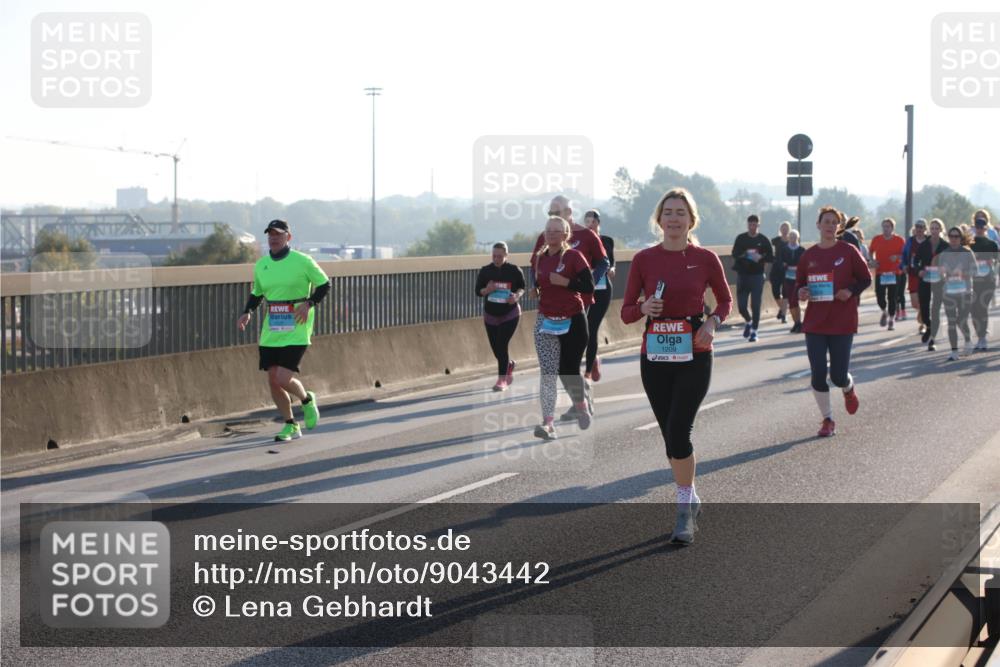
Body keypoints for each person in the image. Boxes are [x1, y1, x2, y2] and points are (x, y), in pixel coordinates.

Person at [621, 187, 732, 545]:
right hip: (655, 356)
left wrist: (712, 323)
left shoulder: (705, 258)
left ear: (691, 219)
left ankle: (684, 512)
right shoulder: (644, 259)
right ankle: (691, 494)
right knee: (670, 434)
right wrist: (644, 309)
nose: (673, 218)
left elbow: (725, 301)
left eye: (680, 212)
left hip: (694, 352)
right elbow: (625, 313)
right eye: (667, 212)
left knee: (680, 430)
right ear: (658, 219)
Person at [237, 219, 330, 442]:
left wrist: (309, 304)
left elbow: (325, 284)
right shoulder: (261, 264)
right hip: (273, 326)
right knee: (273, 379)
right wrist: (247, 311)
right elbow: (258, 293)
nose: (273, 238)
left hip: (297, 324)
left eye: (278, 234)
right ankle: (290, 425)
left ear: (288, 237)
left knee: (283, 377)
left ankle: (306, 399)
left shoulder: (303, 261)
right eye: (270, 234)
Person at [794, 207, 871, 437]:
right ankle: (827, 419)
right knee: (818, 372)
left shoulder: (848, 251)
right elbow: (798, 284)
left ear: (838, 227)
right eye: (825, 221)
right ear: (818, 225)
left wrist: (850, 290)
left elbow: (865, 279)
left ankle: (848, 388)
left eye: (834, 222)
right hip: (815, 323)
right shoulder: (809, 256)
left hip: (842, 321)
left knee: (837, 375)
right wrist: (802, 292)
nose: (829, 225)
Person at [531, 195, 609, 421]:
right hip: (552, 308)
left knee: (570, 361)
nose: (553, 218)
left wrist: (588, 285)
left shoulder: (586, 235)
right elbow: (534, 265)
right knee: (562, 365)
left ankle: (581, 401)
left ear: (569, 212)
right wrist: (537, 287)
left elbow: (603, 262)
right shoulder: (544, 237)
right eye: (550, 214)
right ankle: (581, 401)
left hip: (579, 305)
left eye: (557, 213)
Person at [532, 216, 594, 441]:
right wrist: (536, 290)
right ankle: (548, 424)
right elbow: (539, 281)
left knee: (568, 370)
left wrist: (566, 283)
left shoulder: (574, 257)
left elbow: (589, 286)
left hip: (573, 320)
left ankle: (581, 405)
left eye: (557, 231)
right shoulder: (539, 258)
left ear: (566, 235)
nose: (551, 234)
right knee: (548, 373)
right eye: (548, 230)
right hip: (546, 320)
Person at [476, 242, 526, 391]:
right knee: (495, 348)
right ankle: (508, 365)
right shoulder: (485, 271)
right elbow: (478, 291)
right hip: (490, 314)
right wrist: (487, 289)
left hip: (509, 314)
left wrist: (516, 296)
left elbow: (522, 288)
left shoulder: (514, 270)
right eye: (494, 256)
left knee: (502, 345)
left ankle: (501, 380)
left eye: (499, 256)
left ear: (506, 255)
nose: (496, 259)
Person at [932, 226, 977, 361]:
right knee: (952, 321)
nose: (953, 239)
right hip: (949, 292)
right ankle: (954, 351)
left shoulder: (968, 252)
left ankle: (968, 340)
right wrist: (941, 272)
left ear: (961, 238)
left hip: (965, 291)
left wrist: (962, 273)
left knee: (961, 319)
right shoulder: (944, 253)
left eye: (956, 236)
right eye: (951, 236)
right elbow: (940, 273)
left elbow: (975, 271)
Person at [582, 209, 615, 382]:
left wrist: (612, 270)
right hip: (583, 290)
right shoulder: (580, 241)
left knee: (592, 328)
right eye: (586, 221)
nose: (589, 224)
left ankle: (587, 371)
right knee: (583, 329)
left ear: (598, 223)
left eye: (592, 221)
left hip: (602, 289)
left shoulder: (606, 241)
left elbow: (612, 262)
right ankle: (593, 359)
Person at [731, 214, 774, 342]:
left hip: (757, 275)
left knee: (755, 304)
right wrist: (745, 255)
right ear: (747, 225)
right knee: (742, 306)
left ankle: (754, 331)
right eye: (750, 225)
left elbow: (771, 257)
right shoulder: (741, 238)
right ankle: (748, 322)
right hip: (743, 275)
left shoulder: (764, 240)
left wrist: (760, 258)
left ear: (758, 225)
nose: (752, 227)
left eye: (755, 225)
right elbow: (734, 253)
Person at [916, 219, 949, 349]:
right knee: (924, 310)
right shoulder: (923, 245)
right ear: (930, 230)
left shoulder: (945, 246)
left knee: (935, 309)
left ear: (941, 230)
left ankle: (932, 339)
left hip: (939, 281)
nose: (934, 231)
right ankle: (928, 327)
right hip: (925, 280)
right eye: (932, 228)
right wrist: (919, 271)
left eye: (937, 228)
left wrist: (945, 269)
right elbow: (916, 261)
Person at [868, 218, 905, 331]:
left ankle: (891, 319)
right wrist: (872, 261)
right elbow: (870, 252)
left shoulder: (899, 240)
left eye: (888, 226)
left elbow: (905, 256)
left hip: (894, 273)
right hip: (881, 272)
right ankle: (884, 312)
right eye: (884, 226)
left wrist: (897, 257)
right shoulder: (876, 239)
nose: (885, 228)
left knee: (892, 297)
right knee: (879, 297)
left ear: (892, 228)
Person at [970, 215, 998, 351]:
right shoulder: (969, 244)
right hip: (973, 281)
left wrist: (992, 262)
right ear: (974, 228)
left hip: (988, 280)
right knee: (973, 310)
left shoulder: (991, 244)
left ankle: (982, 338)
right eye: (977, 226)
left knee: (982, 308)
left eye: (982, 227)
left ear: (986, 227)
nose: (980, 229)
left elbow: (997, 259)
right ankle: (980, 334)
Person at [902, 219, 930, 335]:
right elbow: (904, 255)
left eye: (922, 227)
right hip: (913, 274)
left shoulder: (929, 241)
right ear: (915, 228)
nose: (919, 229)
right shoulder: (910, 241)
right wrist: (903, 266)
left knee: (924, 300)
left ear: (925, 229)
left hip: (927, 274)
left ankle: (923, 323)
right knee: (914, 303)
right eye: (917, 226)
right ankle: (922, 313)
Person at [781, 229, 807, 333]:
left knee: (795, 300)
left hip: (799, 278)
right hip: (788, 278)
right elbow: (780, 261)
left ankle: (799, 322)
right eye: (791, 237)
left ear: (797, 238)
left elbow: (805, 263)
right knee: (791, 302)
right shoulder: (784, 249)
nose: (792, 238)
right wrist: (783, 265)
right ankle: (796, 323)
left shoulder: (801, 250)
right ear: (788, 238)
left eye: (794, 237)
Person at [770, 221, 792, 323]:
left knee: (785, 292)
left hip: (787, 270)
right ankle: (782, 310)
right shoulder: (775, 240)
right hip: (776, 269)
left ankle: (783, 315)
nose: (784, 230)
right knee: (775, 292)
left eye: (786, 228)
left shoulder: (792, 241)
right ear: (780, 229)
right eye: (783, 228)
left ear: (789, 229)